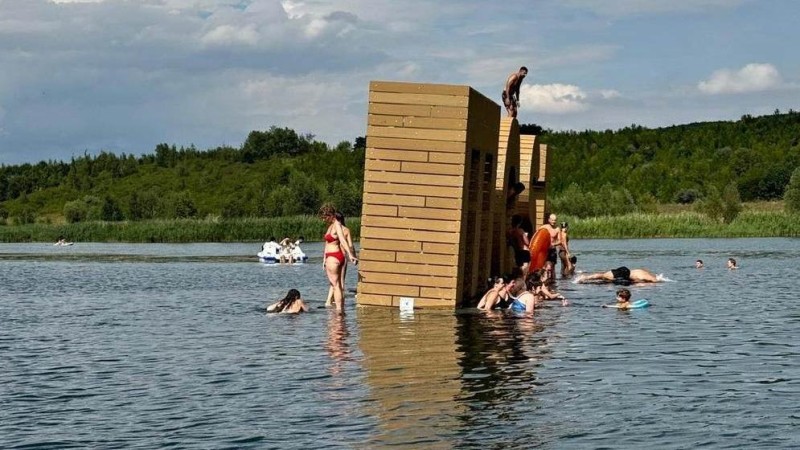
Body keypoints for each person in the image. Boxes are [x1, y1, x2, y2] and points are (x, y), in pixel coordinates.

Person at [320, 204, 358, 314]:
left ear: (330, 215)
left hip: (334, 256)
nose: (323, 220)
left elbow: (343, 240)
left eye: (324, 217)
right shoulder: (331, 226)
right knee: (338, 284)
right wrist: (323, 258)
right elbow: (327, 244)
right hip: (332, 256)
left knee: (336, 285)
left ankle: (339, 310)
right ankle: (339, 308)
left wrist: (351, 255)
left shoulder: (337, 225)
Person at [576, 266, 661, 284]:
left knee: (603, 275)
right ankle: (585, 278)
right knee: (603, 277)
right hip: (623, 273)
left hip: (623, 271)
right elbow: (655, 281)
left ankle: (585, 277)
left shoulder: (641, 271)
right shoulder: (643, 276)